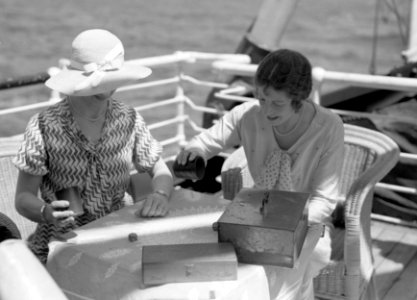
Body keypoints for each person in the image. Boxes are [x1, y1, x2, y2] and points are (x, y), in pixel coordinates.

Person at [175, 49, 344, 300]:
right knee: (211, 273)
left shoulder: (328, 127)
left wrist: (282, 223)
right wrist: (195, 150)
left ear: (300, 99)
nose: (266, 111)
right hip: (256, 220)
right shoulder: (248, 115)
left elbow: (325, 201)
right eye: (262, 99)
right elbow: (206, 142)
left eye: (277, 103)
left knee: (272, 287)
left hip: (306, 226)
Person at [13, 29, 173, 264]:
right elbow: (23, 198)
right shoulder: (44, 125)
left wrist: (160, 194)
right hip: (62, 244)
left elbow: (160, 171)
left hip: (120, 237)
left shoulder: (128, 118)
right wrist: (47, 212)